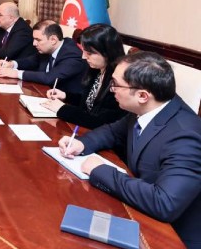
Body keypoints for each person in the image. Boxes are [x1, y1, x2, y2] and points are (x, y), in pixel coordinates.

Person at [59, 51, 201, 248]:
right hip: (139, 208)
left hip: (171, 235)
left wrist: (100, 170)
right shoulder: (151, 106)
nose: (111, 90)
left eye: (116, 84)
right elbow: (112, 132)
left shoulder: (186, 136)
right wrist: (82, 144)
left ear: (142, 95)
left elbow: (164, 203)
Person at [40, 23, 127, 127]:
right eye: (83, 51)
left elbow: (100, 122)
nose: (84, 57)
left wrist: (63, 109)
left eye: (89, 53)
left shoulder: (119, 81)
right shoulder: (96, 70)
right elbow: (89, 102)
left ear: (107, 52)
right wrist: (65, 96)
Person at [0, 20, 87, 95]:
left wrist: (17, 73)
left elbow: (50, 77)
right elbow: (32, 60)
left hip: (66, 101)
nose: (34, 43)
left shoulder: (72, 55)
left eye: (38, 40)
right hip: (43, 92)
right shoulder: (48, 48)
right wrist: (12, 64)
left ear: (53, 40)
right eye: (34, 39)